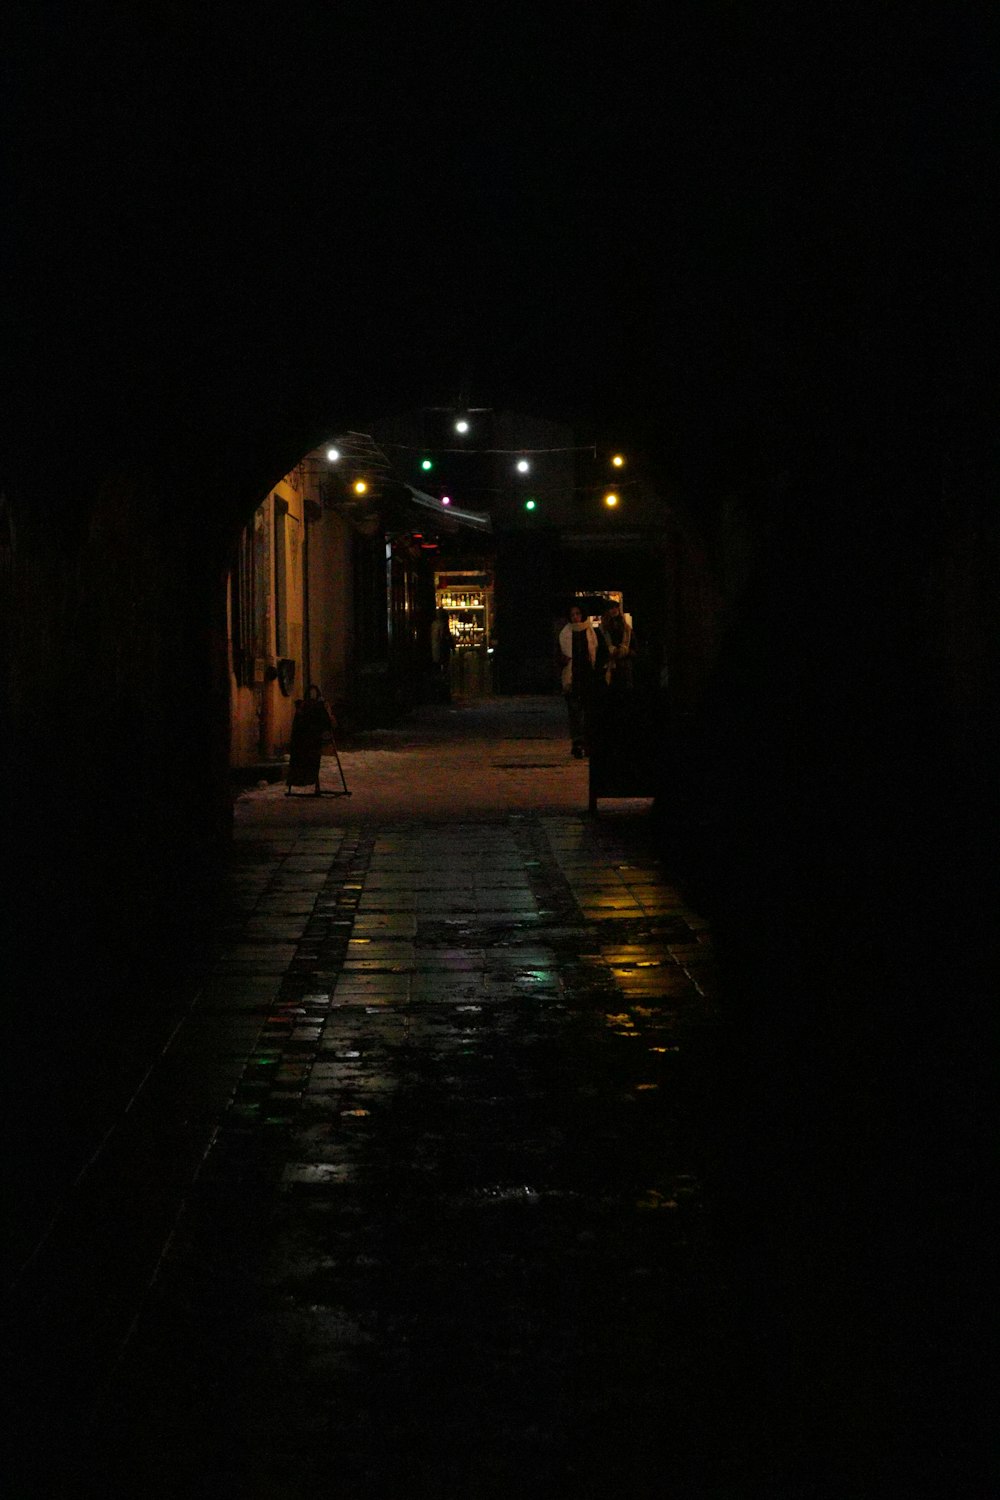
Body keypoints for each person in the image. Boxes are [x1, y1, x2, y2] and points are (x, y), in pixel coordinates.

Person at [558, 603, 598, 757]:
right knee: (574, 712)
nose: (575, 617)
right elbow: (558, 655)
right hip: (572, 677)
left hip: (587, 676)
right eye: (573, 614)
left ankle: (587, 743)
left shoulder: (589, 631)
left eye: (577, 614)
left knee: (587, 712)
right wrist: (563, 659)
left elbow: (595, 652)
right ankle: (577, 742)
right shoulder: (565, 633)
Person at [286, 684, 335, 796]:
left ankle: (300, 780)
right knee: (312, 761)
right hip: (312, 741)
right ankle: (310, 781)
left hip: (301, 742)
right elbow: (326, 724)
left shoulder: (302, 709)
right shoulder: (318, 708)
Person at [598, 598, 635, 693]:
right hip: (610, 665)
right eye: (611, 608)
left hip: (624, 665)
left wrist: (626, 651)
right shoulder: (602, 629)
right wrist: (609, 651)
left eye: (616, 607)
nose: (614, 610)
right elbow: (599, 648)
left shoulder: (626, 628)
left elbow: (634, 647)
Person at [429, 608, 454, 702]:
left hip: (435, 650)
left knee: (437, 671)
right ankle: (443, 694)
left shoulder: (433, 624)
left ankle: (437, 693)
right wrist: (452, 645)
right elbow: (445, 637)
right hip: (443, 651)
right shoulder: (443, 625)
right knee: (444, 672)